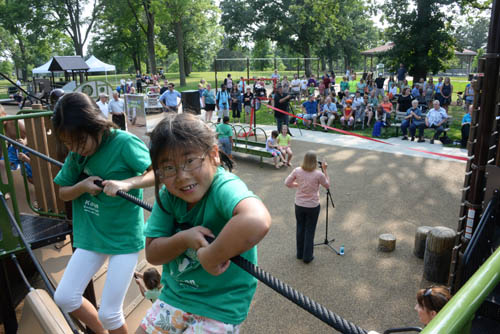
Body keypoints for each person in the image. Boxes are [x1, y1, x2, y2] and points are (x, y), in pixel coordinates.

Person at [138, 113, 271, 333]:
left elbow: (256, 220)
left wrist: (211, 256)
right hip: (176, 296)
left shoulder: (223, 186)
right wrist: (184, 240)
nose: (181, 176)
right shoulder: (169, 196)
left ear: (214, 156)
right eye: (169, 168)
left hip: (220, 304)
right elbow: (152, 253)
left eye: (190, 161)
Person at [52, 92, 154, 334]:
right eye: (68, 144)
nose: (75, 149)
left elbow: (156, 174)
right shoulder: (77, 154)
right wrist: (83, 186)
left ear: (95, 125)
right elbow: (63, 193)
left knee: (110, 312)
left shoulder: (124, 143)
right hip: (92, 235)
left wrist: (127, 184)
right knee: (65, 297)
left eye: (79, 141)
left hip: (123, 237)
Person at [285, 151, 329, 264]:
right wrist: (325, 169)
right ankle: (307, 256)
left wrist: (297, 185)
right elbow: (327, 185)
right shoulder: (318, 174)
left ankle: (299, 254)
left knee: (300, 227)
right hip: (313, 205)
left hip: (299, 204)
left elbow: (287, 183)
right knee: (310, 229)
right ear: (315, 161)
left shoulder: (297, 170)